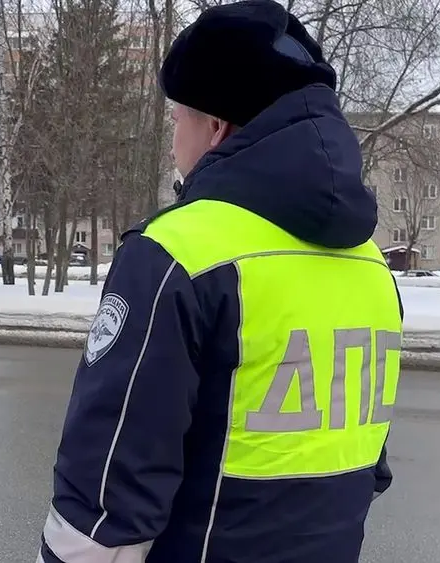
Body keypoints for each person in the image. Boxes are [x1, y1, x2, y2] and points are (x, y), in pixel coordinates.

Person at [35, 1, 402, 562]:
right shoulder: (370, 263)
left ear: (217, 125)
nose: (172, 137)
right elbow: (363, 465)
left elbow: (110, 490)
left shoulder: (175, 252)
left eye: (177, 116)